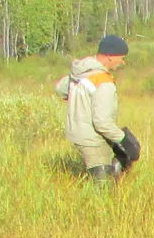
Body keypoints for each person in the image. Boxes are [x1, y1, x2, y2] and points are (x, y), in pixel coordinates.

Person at [54, 34, 141, 181]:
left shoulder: (80, 72)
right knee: (103, 190)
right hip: (93, 138)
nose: (122, 62)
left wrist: (79, 102)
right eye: (121, 58)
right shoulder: (103, 81)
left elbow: (60, 89)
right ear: (109, 56)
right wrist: (124, 141)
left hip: (77, 133)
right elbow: (102, 123)